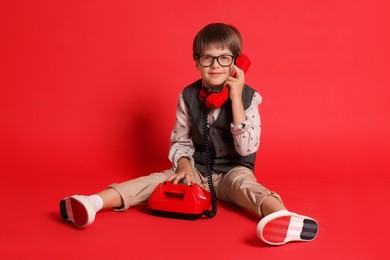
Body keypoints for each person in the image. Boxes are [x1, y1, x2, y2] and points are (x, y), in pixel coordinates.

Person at [60, 23, 318, 246]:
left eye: (224, 58)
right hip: (196, 169)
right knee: (155, 180)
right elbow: (181, 140)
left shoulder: (250, 97)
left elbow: (246, 149)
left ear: (237, 62)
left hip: (233, 172)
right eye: (207, 58)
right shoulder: (187, 95)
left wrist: (236, 97)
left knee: (248, 188)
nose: (215, 65)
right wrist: (184, 166)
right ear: (197, 61)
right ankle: (91, 202)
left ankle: (283, 217)